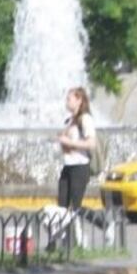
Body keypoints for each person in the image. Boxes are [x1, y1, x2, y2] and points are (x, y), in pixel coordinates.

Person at [55, 87, 113, 245]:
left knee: (76, 207)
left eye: (70, 98)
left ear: (79, 100)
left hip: (80, 166)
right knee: (62, 206)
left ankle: (104, 224)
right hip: (68, 165)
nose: (67, 101)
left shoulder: (85, 119)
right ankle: (68, 240)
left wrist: (69, 142)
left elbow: (91, 143)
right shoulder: (69, 120)